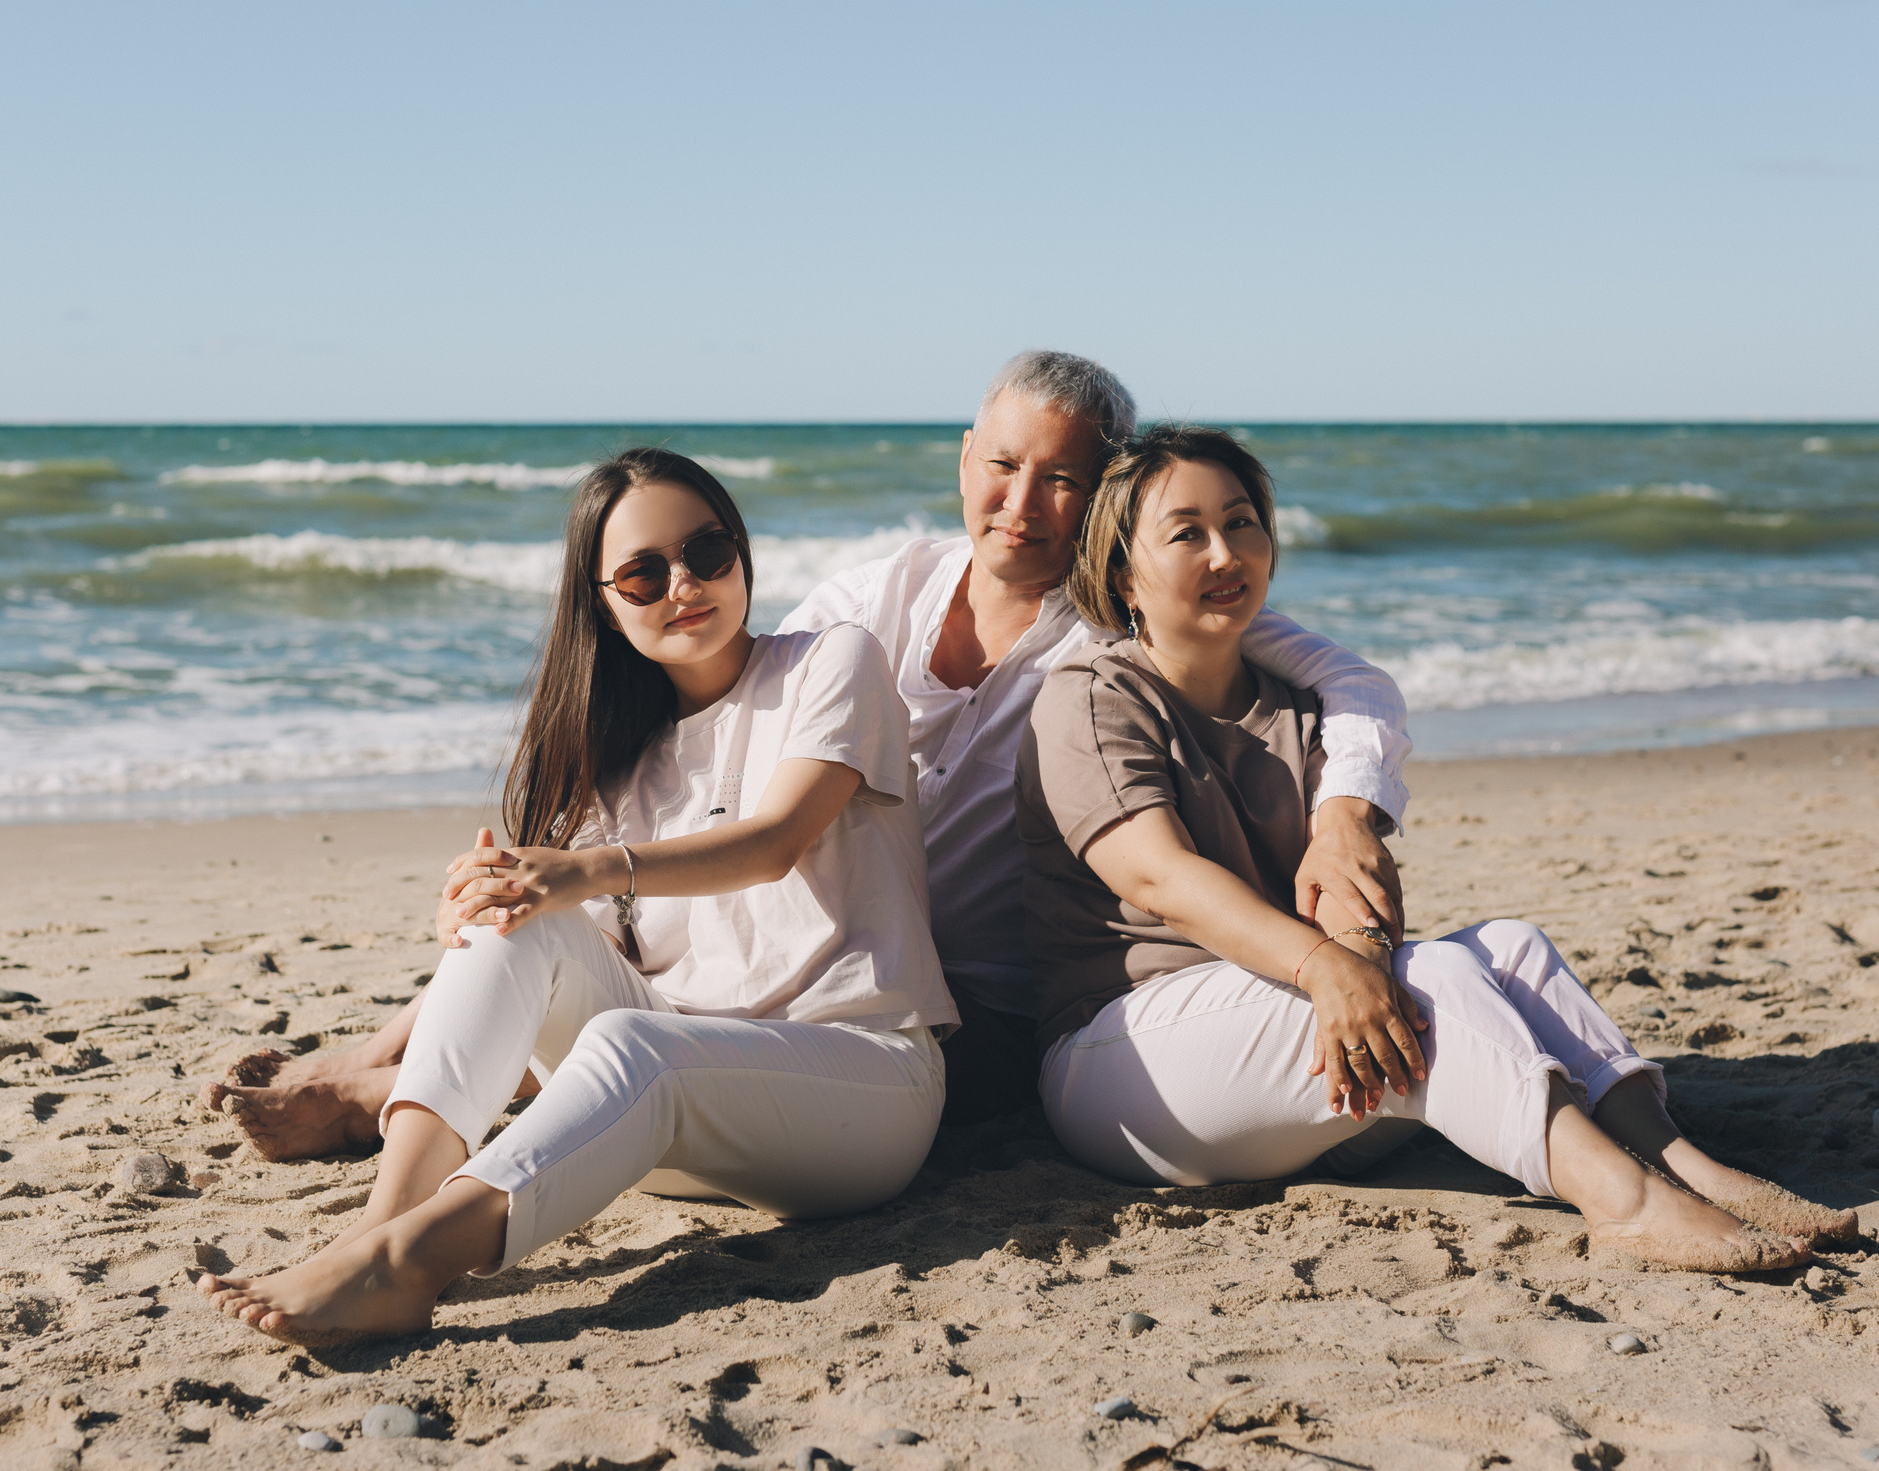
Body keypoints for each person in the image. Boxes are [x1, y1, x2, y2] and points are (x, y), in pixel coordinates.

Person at [205, 351, 1409, 1150]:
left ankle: (396, 1095)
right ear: (962, 456)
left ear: (1104, 500)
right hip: (803, 956)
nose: (1022, 501)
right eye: (1002, 463)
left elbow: (1348, 680)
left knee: (668, 1038)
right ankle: (386, 1052)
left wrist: (1348, 810)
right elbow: (729, 728)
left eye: (1064, 479)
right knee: (590, 930)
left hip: (965, 1009)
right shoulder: (874, 593)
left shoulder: (1124, 626)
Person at [1018, 425, 1855, 1271]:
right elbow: (1157, 875)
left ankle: (1685, 1165)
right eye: (1186, 532)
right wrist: (1327, 969)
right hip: (1125, 1062)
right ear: (1123, 569)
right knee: (1441, 978)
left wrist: (1360, 952)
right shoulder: (1095, 696)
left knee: (1514, 949)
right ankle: (1623, 1201)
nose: (1225, 550)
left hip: (1291, 1074)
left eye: (1242, 522)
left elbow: (1353, 877)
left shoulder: (1304, 709)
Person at [199, 448, 954, 1340]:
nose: (684, 583)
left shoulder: (833, 662)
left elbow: (776, 841)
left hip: (859, 1095)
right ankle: (381, 1226)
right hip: (666, 1123)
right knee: (517, 923)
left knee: (638, 1035)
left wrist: (590, 869)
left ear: (742, 552)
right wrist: (478, 918)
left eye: (707, 551)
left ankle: (416, 1262)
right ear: (604, 601)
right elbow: (547, 954)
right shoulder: (619, 760)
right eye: (642, 572)